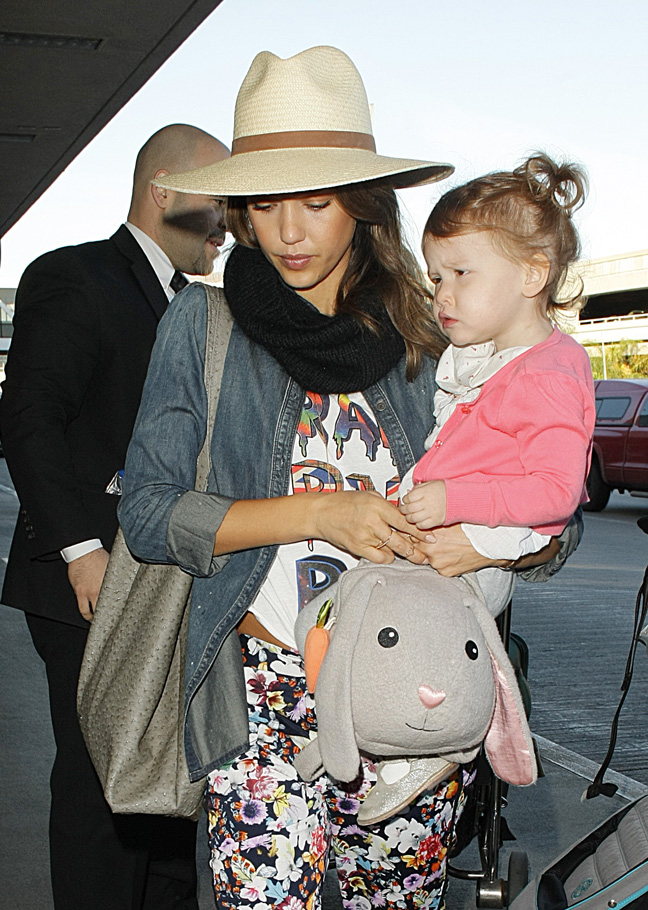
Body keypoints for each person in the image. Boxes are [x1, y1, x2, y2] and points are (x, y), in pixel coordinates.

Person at [118, 48, 578, 910]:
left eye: (317, 202)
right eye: (263, 203)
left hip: (410, 705)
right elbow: (149, 514)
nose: (288, 232)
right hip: (258, 692)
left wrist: (479, 539)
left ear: (363, 207)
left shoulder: (435, 344)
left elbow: (552, 516)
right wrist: (320, 513)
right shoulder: (202, 326)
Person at [0, 123, 229, 910]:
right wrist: (79, 550)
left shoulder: (196, 306)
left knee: (167, 786)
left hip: (165, 586)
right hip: (89, 582)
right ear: (162, 189)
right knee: (103, 788)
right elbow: (28, 417)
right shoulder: (77, 277)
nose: (227, 224)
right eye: (217, 204)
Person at [360, 154, 597, 825]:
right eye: (437, 277)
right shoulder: (493, 356)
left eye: (462, 274)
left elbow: (556, 492)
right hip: (456, 536)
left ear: (532, 274)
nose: (443, 295)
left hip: (485, 543)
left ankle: (427, 746)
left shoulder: (550, 370)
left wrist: (456, 509)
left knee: (415, 641)